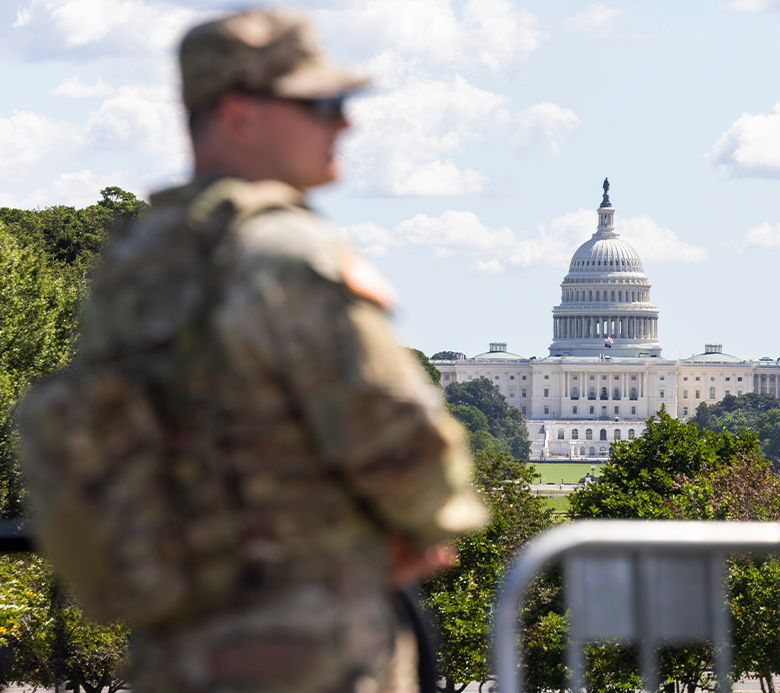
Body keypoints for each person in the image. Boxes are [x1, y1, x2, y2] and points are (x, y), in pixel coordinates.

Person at [39, 9, 486, 693]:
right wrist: (426, 524)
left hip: (174, 648)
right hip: (309, 647)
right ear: (243, 116)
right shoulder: (283, 254)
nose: (346, 124)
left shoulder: (137, 261)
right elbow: (408, 444)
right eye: (322, 103)